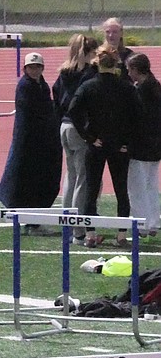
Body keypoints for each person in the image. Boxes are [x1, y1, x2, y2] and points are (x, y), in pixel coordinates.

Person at [68, 44, 139, 247]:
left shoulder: (88, 86)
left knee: (91, 190)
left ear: (97, 63)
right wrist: (128, 142)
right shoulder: (126, 87)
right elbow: (138, 116)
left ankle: (90, 234)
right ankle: (121, 235)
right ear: (117, 63)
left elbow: (72, 110)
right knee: (121, 190)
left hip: (97, 144)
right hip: (119, 145)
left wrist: (88, 136)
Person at [0, 52, 62, 234]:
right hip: (28, 141)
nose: (35, 70)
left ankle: (33, 219)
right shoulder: (25, 86)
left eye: (38, 66)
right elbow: (36, 112)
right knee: (25, 180)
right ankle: (29, 219)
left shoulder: (42, 85)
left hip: (39, 141)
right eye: (31, 67)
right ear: (25, 69)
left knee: (38, 180)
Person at [52, 34, 99, 229]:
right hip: (78, 127)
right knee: (83, 178)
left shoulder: (64, 73)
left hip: (64, 125)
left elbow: (56, 98)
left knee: (71, 176)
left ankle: (67, 222)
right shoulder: (88, 74)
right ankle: (78, 227)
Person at [126, 52, 161, 238]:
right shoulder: (155, 86)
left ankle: (141, 224)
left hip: (141, 146)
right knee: (151, 186)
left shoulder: (140, 91)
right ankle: (153, 222)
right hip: (155, 145)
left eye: (129, 69)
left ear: (135, 69)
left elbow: (136, 120)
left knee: (137, 187)